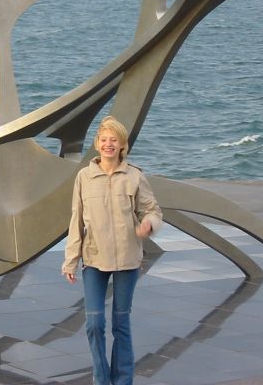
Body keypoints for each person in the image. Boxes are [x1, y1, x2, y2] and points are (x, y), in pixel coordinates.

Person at [61, 115, 163, 385]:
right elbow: (76, 219)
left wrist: (149, 224)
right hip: (94, 259)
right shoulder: (84, 177)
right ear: (97, 143)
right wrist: (70, 260)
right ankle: (101, 379)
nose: (108, 144)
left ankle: (123, 381)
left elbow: (152, 210)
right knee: (94, 323)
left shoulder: (134, 176)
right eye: (104, 139)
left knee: (121, 323)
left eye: (113, 140)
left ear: (122, 145)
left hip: (128, 260)